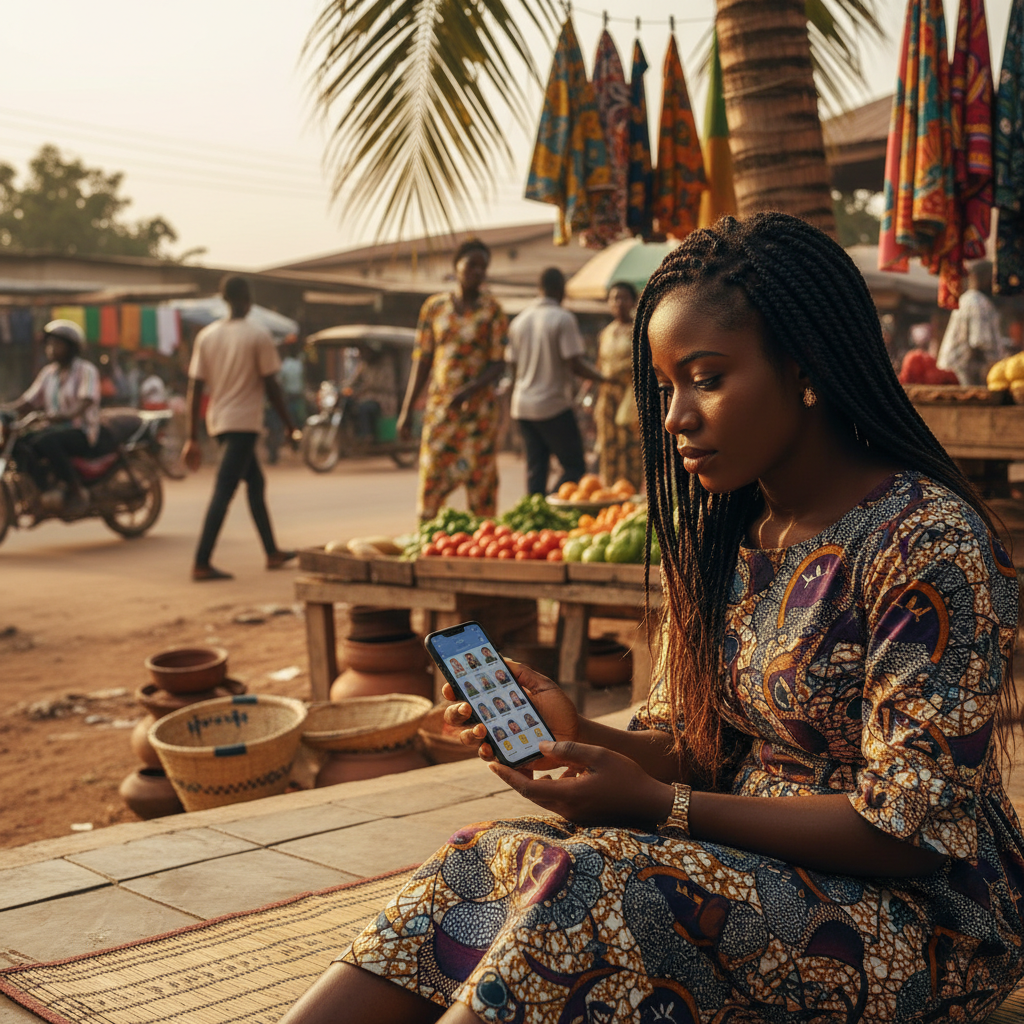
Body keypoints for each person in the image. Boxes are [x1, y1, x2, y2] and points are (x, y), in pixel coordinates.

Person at [280, 213, 1024, 1024]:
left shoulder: (925, 539)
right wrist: (584, 735)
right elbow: (700, 752)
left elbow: (908, 830)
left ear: (804, 369)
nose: (674, 418)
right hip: (750, 864)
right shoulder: (729, 540)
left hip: (920, 919)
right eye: (667, 387)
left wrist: (657, 809)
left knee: (597, 889)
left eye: (706, 378)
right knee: (482, 862)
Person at [182, 276, 299, 581]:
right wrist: (290, 426)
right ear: (247, 300)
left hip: (219, 422)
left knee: (256, 485)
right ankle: (201, 561)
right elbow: (272, 387)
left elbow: (195, 389)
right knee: (223, 491)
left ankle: (272, 552)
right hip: (244, 423)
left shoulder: (207, 336)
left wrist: (192, 437)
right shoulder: (257, 335)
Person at [397, 239, 508, 520]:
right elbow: (422, 360)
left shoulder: (492, 310)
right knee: (432, 475)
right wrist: (406, 410)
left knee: (481, 482)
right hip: (441, 410)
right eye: (472, 264)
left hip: (478, 414)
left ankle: (483, 545)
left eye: (483, 267)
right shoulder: (434, 308)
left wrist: (469, 390)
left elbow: (498, 364)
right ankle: (428, 542)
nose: (477, 272)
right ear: (456, 266)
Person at [506, 267, 609, 496]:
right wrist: (605, 379)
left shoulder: (519, 321)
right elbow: (575, 364)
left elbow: (512, 365)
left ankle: (537, 513)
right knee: (574, 466)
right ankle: (555, 504)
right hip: (552, 404)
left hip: (522, 405)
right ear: (559, 289)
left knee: (536, 467)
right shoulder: (563, 318)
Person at [10, 320, 111, 515]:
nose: (51, 349)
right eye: (49, 344)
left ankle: (76, 490)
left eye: (57, 344)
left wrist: (64, 415)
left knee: (47, 441)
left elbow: (86, 400)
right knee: (21, 442)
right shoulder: (48, 373)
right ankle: (43, 488)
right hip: (54, 430)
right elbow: (28, 401)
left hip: (81, 432)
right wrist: (6, 410)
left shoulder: (85, 370)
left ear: (71, 348)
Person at [595, 280, 642, 487]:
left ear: (633, 302)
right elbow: (600, 365)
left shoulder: (639, 331)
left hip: (630, 398)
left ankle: (630, 495)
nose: (619, 302)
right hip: (608, 398)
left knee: (630, 448)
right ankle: (611, 496)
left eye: (624, 297)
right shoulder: (605, 333)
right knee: (609, 446)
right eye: (614, 298)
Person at [936, 260, 1008, 384]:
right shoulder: (977, 302)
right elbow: (978, 344)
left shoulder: (968, 299)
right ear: (985, 278)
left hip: (955, 373)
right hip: (961, 377)